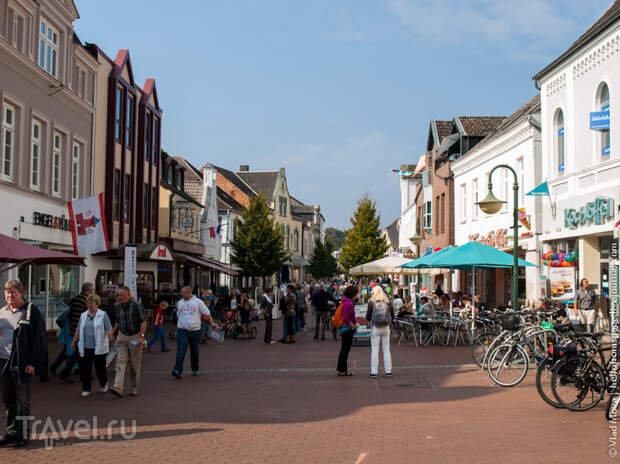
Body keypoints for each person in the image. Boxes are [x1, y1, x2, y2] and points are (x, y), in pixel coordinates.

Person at [0, 280, 48, 448]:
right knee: (9, 399)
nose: (9, 296)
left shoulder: (30, 311)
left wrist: (33, 362)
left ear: (21, 293)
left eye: (12, 292)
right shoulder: (2, 312)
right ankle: (12, 432)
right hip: (3, 362)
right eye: (7, 293)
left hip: (22, 362)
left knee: (23, 400)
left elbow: (39, 339)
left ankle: (23, 434)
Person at [70, 294, 114, 397]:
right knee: (85, 368)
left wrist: (111, 336)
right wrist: (73, 342)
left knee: (100, 368)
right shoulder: (83, 315)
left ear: (97, 304)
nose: (90, 305)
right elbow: (78, 330)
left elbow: (109, 328)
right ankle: (86, 389)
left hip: (99, 347)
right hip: (86, 347)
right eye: (88, 303)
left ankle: (103, 383)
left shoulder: (103, 315)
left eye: (92, 303)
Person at [172, 286, 218, 379]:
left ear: (189, 293)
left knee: (194, 350)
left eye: (183, 293)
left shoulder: (198, 302)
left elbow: (207, 313)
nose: (181, 294)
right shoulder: (180, 303)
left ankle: (195, 368)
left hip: (195, 331)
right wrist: (179, 325)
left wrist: (212, 323)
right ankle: (177, 370)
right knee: (181, 350)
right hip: (182, 330)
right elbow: (178, 315)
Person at [109, 286, 147, 398]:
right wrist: (112, 333)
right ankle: (118, 387)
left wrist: (141, 337)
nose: (119, 297)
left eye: (121, 295)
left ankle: (134, 387)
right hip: (122, 336)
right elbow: (117, 321)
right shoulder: (118, 307)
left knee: (134, 364)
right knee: (120, 362)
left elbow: (143, 322)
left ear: (127, 295)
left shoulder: (136, 305)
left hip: (134, 338)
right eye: (118, 295)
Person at [58, 282, 95, 383]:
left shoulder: (75, 299)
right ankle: (68, 372)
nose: (93, 290)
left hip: (74, 328)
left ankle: (79, 371)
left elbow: (72, 314)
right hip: (83, 330)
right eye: (92, 289)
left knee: (79, 352)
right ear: (89, 290)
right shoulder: (87, 301)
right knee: (83, 353)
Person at [366, 286, 394, 378]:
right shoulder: (387, 301)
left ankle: (374, 371)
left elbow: (368, 316)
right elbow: (392, 315)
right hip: (386, 327)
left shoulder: (371, 302)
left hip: (376, 327)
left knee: (375, 350)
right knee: (386, 349)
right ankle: (388, 371)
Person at [337, 285, 359, 376]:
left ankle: (343, 369)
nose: (357, 296)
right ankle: (342, 370)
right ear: (352, 295)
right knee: (345, 350)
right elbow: (345, 317)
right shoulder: (349, 304)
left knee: (344, 350)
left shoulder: (345, 302)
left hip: (345, 329)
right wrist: (352, 326)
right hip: (347, 330)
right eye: (356, 294)